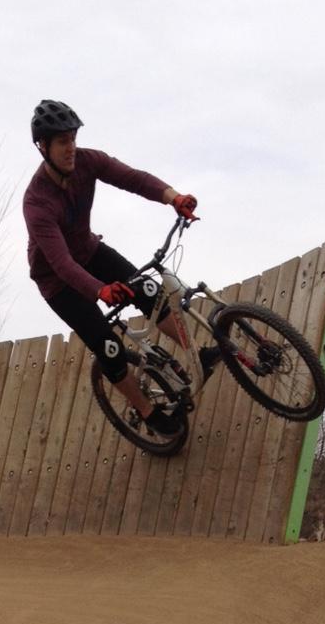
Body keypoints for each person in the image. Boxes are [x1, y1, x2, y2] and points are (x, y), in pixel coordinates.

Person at [23, 99, 202, 437]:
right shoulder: (36, 202)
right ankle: (148, 412)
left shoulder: (88, 162)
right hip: (58, 283)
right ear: (43, 147)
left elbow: (131, 178)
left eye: (73, 139)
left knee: (150, 291)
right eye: (63, 142)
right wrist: (99, 290)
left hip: (90, 252)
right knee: (110, 348)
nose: (71, 148)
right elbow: (61, 263)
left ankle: (197, 354)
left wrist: (172, 197)